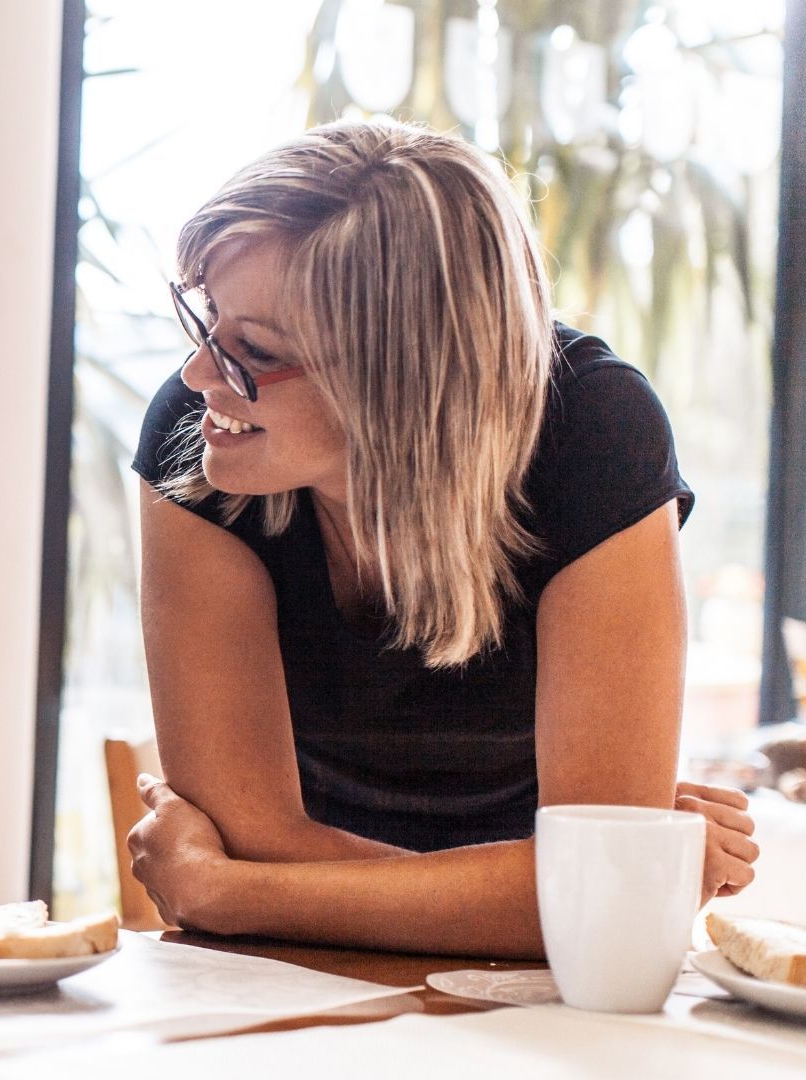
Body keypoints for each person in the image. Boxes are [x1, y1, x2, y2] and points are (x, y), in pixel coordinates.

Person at [125, 119, 758, 958]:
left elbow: (603, 902)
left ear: (398, 377)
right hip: (292, 965)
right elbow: (599, 892)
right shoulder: (202, 436)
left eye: (253, 350)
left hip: (493, 989)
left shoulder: (593, 434)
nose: (200, 374)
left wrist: (228, 891)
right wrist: (553, 890)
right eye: (205, 318)